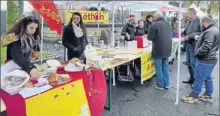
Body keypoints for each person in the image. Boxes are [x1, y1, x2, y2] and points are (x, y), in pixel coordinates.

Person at [182, 16, 219, 104]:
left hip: (205, 59)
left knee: (198, 78)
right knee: (207, 77)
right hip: (211, 58)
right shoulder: (215, 29)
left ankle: (194, 96)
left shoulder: (209, 31)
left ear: (203, 22)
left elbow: (207, 46)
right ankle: (207, 95)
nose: (200, 25)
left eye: (200, 23)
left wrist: (198, 54)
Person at [147, 12, 172, 90]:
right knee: (165, 67)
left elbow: (149, 37)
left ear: (155, 17)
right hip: (167, 48)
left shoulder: (155, 24)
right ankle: (166, 84)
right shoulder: (168, 24)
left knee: (158, 67)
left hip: (158, 49)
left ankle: (160, 85)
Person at [182, 8, 203, 85]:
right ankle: (192, 78)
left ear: (192, 14)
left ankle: (196, 82)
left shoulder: (200, 21)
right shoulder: (188, 21)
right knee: (188, 63)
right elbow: (186, 31)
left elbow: (202, 33)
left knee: (194, 63)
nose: (186, 15)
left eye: (187, 13)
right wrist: (183, 32)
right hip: (188, 44)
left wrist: (190, 36)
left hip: (195, 46)